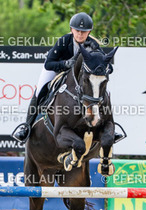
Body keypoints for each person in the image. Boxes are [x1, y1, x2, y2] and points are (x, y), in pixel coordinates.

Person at [12, 12, 101, 143]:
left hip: (80, 76)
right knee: (40, 91)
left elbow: (101, 64)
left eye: (84, 31)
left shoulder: (93, 45)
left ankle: (106, 126)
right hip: (57, 70)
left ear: (89, 32)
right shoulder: (64, 41)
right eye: (77, 30)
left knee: (101, 90)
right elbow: (49, 64)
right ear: (71, 29)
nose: (80, 34)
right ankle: (26, 127)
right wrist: (65, 64)